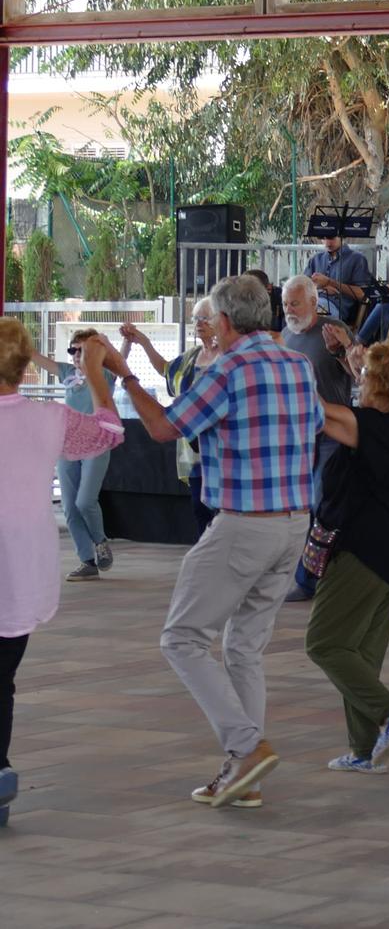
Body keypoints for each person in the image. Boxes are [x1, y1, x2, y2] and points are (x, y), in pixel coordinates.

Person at [110, 273, 324, 811]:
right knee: (243, 647)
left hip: (244, 521)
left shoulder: (229, 367)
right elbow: (318, 423)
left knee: (181, 638)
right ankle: (244, 774)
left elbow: (163, 428)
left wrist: (125, 377)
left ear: (225, 322)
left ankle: (246, 748)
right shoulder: (296, 364)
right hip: (294, 521)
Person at [0, 322, 123, 827]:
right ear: (26, 366)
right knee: (2, 678)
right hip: (21, 570)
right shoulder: (50, 418)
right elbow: (110, 432)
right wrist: (96, 375)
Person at [306, 342, 389, 774]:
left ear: (383, 383)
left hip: (363, 550)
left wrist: (291, 368)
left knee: (324, 643)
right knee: (360, 654)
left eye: (369, 375)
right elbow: (341, 413)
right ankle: (363, 750)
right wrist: (353, 363)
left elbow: (318, 413)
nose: (361, 380)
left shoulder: (371, 427)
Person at [280, 276, 356, 602]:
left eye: (295, 303)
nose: (289, 310)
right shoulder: (284, 336)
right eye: (285, 304)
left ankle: (309, 579)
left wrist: (342, 350)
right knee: (302, 507)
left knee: (319, 504)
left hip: (332, 433)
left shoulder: (334, 329)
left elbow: (357, 372)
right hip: (297, 436)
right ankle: (310, 575)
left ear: (313, 302)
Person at [124, 304, 223, 527]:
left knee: (219, 515)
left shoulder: (227, 359)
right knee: (200, 511)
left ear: (220, 320)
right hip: (193, 453)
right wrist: (143, 341)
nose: (199, 323)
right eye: (196, 318)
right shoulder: (191, 357)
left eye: (205, 318)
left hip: (220, 453)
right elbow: (166, 369)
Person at [46, 330, 116, 581]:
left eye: (82, 350)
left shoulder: (104, 375)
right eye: (73, 350)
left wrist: (104, 345)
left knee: (85, 501)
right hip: (69, 446)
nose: (76, 355)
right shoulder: (67, 374)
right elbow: (34, 357)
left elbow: (119, 361)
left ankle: (100, 542)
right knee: (69, 506)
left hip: (96, 444)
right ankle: (87, 560)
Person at [306, 228, 375, 327]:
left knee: (308, 314)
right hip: (315, 302)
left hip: (337, 309)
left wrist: (330, 282)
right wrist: (321, 289)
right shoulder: (316, 259)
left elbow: (363, 295)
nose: (327, 242)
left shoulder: (357, 259)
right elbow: (303, 286)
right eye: (323, 238)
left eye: (331, 237)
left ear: (342, 236)